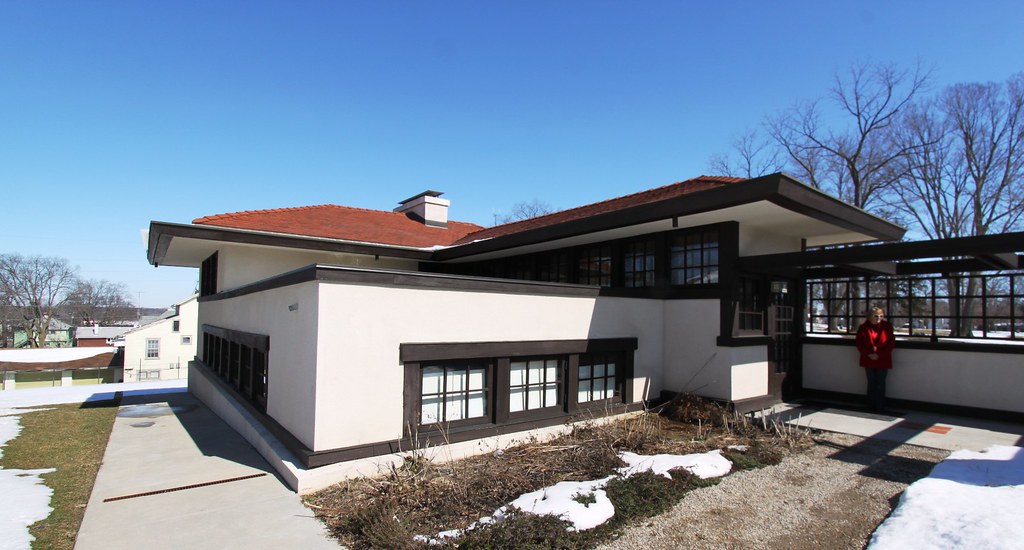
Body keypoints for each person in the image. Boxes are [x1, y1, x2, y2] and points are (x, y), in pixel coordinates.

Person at [856, 306, 895, 411]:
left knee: (881, 382)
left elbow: (890, 344)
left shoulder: (887, 326)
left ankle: (880, 405)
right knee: (871, 381)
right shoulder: (863, 327)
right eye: (876, 316)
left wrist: (879, 355)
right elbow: (859, 343)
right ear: (869, 316)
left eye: (881, 316)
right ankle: (870, 404)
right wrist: (869, 354)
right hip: (868, 358)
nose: (879, 318)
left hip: (883, 358)